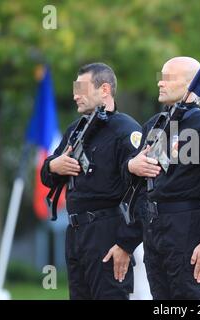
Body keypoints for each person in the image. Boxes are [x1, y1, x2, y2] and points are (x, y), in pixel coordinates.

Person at [126, 56, 200, 299]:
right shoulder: (155, 125)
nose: (160, 84)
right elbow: (132, 183)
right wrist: (132, 165)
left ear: (191, 83)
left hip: (187, 228)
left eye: (168, 78)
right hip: (154, 229)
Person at [41, 62, 143, 300]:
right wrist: (53, 166)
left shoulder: (126, 130)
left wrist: (126, 244)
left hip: (108, 233)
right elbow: (47, 176)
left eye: (82, 89)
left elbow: (143, 192)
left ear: (104, 89)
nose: (75, 95)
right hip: (76, 233)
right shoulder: (76, 130)